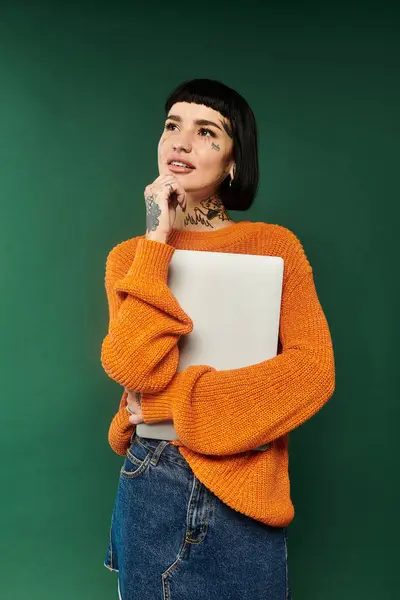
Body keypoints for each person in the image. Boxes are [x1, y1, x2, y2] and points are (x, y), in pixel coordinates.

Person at [101, 78, 335, 600]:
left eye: (206, 131)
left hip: (249, 486)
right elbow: (134, 367)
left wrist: (173, 403)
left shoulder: (274, 247)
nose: (180, 142)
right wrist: (157, 239)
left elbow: (312, 372)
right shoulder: (130, 258)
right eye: (171, 126)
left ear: (233, 162)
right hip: (152, 478)